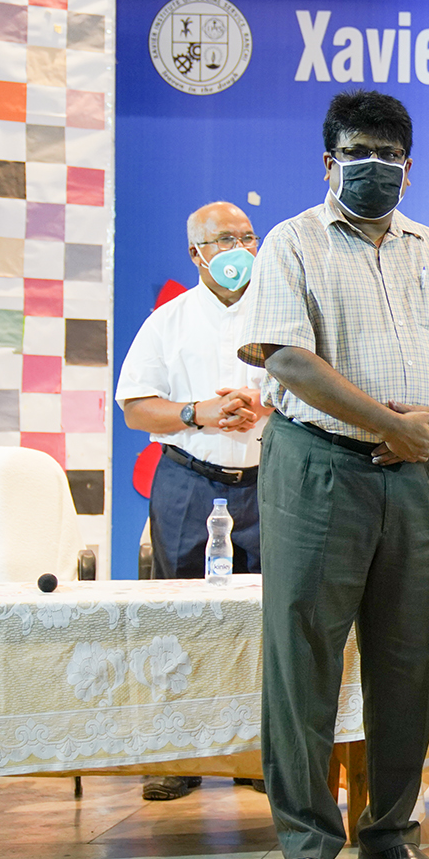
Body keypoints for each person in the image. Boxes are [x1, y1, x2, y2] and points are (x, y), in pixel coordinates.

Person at [238, 90, 429, 859]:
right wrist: (386, 423)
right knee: (304, 663)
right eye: (359, 154)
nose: (376, 168)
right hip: (319, 469)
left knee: (408, 664)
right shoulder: (292, 244)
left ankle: (389, 837)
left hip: (414, 479)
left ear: (410, 168)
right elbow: (285, 358)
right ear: (328, 162)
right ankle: (309, 843)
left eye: (390, 157)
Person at [115, 200, 271, 802]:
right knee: (177, 615)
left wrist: (267, 406)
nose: (239, 250)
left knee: (267, 619)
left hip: (268, 480)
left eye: (248, 237)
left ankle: (258, 755)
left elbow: (316, 389)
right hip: (187, 480)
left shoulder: (283, 313)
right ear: (196, 254)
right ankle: (177, 755)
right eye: (224, 240)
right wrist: (195, 412)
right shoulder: (169, 320)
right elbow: (136, 407)